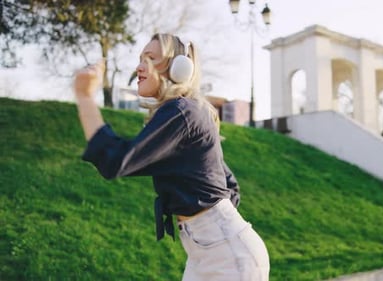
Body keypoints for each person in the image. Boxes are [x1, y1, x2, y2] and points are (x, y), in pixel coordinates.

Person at [73, 33, 270, 281]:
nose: (139, 67)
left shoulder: (182, 112)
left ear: (178, 68)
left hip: (228, 256)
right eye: (140, 59)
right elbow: (230, 186)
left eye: (150, 58)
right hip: (210, 252)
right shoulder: (187, 112)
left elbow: (116, 161)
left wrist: (84, 97)